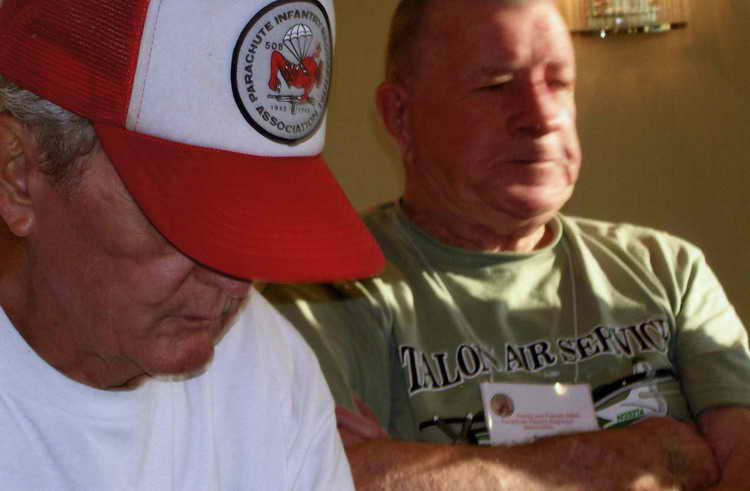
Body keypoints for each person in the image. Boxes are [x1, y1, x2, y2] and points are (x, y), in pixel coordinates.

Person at [263, 0, 750, 489]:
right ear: (400, 117)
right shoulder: (324, 293)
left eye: (558, 82)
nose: (541, 116)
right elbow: (338, 479)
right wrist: (634, 458)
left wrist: (416, 467)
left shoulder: (668, 269)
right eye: (495, 86)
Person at [0, 0, 385, 488]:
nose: (235, 282)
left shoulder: (269, 369)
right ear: (18, 173)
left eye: (258, 224)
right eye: (183, 220)